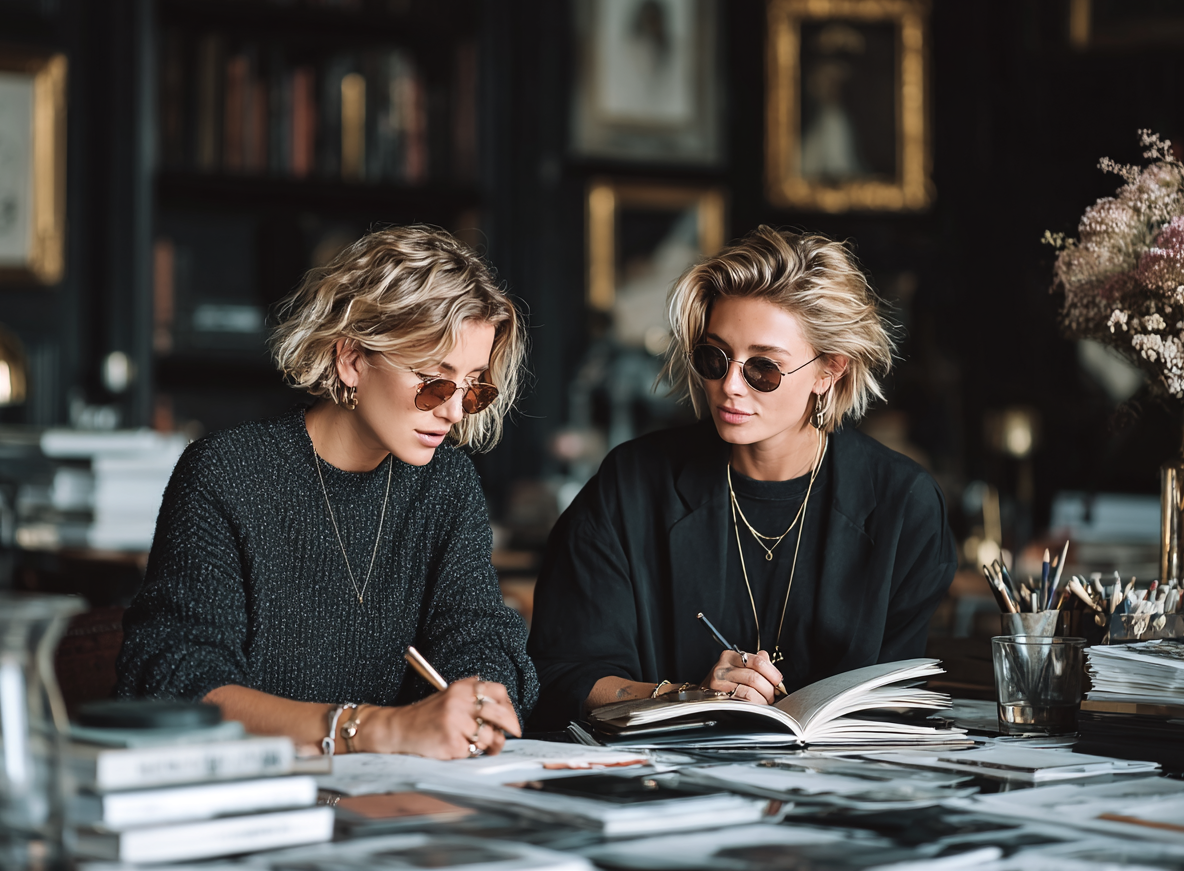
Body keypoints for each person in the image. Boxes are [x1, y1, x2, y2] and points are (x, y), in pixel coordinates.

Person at [117, 226, 536, 759]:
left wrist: (479, 696)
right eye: (434, 381)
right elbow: (179, 682)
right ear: (352, 359)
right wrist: (375, 729)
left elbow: (477, 634)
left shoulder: (446, 485)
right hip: (242, 804)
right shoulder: (227, 475)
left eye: (473, 386)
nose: (452, 411)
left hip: (396, 810)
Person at [527, 226, 957, 728]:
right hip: (662, 787)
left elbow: (897, 703)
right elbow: (564, 673)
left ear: (829, 372)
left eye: (764, 369)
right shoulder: (633, 485)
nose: (729, 386)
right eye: (714, 358)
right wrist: (687, 697)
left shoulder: (901, 504)